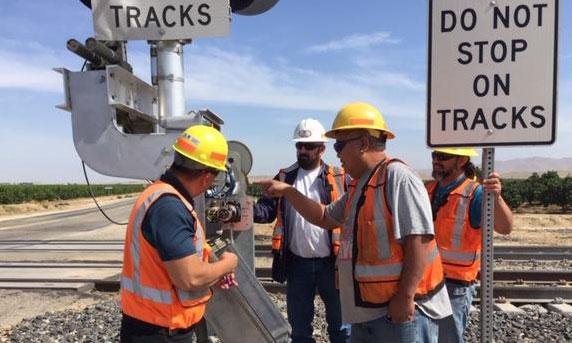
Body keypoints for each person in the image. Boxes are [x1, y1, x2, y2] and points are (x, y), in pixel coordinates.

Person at [258, 102, 452, 342]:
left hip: (403, 313)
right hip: (370, 310)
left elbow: (419, 240)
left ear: (363, 144)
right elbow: (325, 217)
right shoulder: (360, 185)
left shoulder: (399, 178)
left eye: (339, 144)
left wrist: (405, 296)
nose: (336, 152)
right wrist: (288, 191)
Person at [120, 125, 239, 342]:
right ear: (206, 176)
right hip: (158, 332)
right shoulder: (169, 208)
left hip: (156, 326)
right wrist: (227, 264)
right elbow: (190, 278)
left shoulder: (163, 195)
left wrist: (213, 273)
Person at [254, 118, 350, 343]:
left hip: (333, 264)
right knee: (300, 330)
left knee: (341, 327)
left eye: (309, 146)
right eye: (299, 145)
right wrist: (244, 211)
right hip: (298, 265)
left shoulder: (340, 177)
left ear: (322, 149)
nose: (303, 150)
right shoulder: (285, 177)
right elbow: (266, 211)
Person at [426, 148, 513, 343]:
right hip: (427, 281)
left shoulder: (476, 193)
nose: (436, 161)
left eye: (443, 157)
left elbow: (505, 227)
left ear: (461, 160)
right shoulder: (429, 189)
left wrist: (497, 198)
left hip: (455, 286)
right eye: (434, 155)